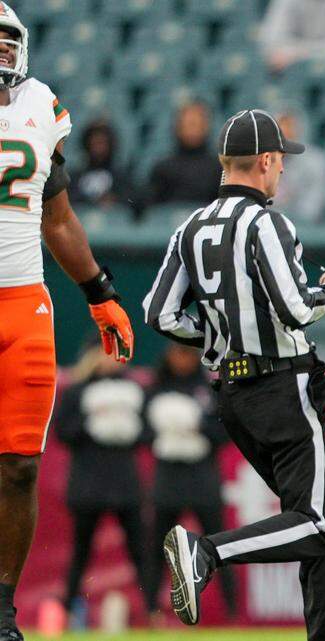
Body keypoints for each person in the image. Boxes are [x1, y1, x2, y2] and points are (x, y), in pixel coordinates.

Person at [143, 108, 325, 641]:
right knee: (318, 523)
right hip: (282, 385)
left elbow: (159, 313)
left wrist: (221, 337)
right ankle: (207, 552)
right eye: (281, 160)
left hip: (234, 396)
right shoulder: (267, 222)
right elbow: (294, 309)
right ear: (265, 161)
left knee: (324, 522)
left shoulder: (188, 227)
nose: (283, 170)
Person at [0, 4, 134, 639]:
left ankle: (2, 611)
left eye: (7, 43)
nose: (2, 54)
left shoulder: (39, 104)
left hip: (25, 303)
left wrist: (99, 291)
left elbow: (58, 218)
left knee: (20, 465)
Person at [54, 341, 153, 625]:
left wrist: (124, 426)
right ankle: (68, 611)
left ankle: (152, 613)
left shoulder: (133, 391)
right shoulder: (78, 391)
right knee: (81, 552)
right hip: (88, 483)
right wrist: (93, 421)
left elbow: (148, 431)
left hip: (125, 483)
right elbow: (64, 431)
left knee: (139, 550)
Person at [144, 343, 237, 621]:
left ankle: (232, 613)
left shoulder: (208, 390)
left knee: (220, 545)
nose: (181, 359)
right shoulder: (155, 389)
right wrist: (167, 431)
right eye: (176, 352)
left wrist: (196, 426)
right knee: (158, 547)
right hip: (168, 477)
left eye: (187, 353)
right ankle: (151, 612)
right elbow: (142, 430)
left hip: (202, 476)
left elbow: (224, 431)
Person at [147, 100, 223, 206]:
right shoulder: (163, 168)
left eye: (196, 124)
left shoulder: (219, 169)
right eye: (188, 124)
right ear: (177, 126)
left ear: (206, 126)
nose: (192, 129)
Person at [271, 107, 325, 224]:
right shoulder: (259, 160)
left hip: (304, 229)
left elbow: (316, 202)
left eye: (290, 127)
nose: (285, 133)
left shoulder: (315, 160)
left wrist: (292, 218)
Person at [71, 118, 136, 213]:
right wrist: (91, 201)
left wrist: (115, 200)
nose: (99, 148)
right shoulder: (74, 178)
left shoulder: (122, 178)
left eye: (102, 143)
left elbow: (132, 201)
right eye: (95, 143)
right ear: (87, 145)